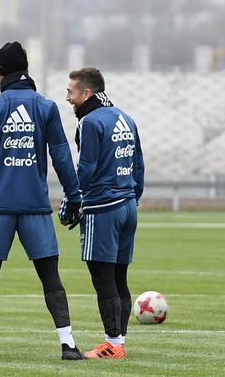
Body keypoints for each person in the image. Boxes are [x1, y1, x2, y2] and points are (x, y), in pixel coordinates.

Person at [0, 42, 85, 362]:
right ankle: (68, 345)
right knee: (50, 275)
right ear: (25, 70)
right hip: (35, 206)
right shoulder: (46, 107)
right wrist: (74, 196)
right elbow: (61, 156)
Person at [62, 67, 145, 359]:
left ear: (87, 93)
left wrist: (71, 201)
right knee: (119, 277)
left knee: (103, 277)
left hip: (103, 208)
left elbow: (86, 169)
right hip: (128, 205)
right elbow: (138, 165)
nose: (67, 97)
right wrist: (132, 197)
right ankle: (118, 342)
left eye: (71, 91)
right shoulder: (126, 117)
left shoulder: (90, 122)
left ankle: (112, 344)